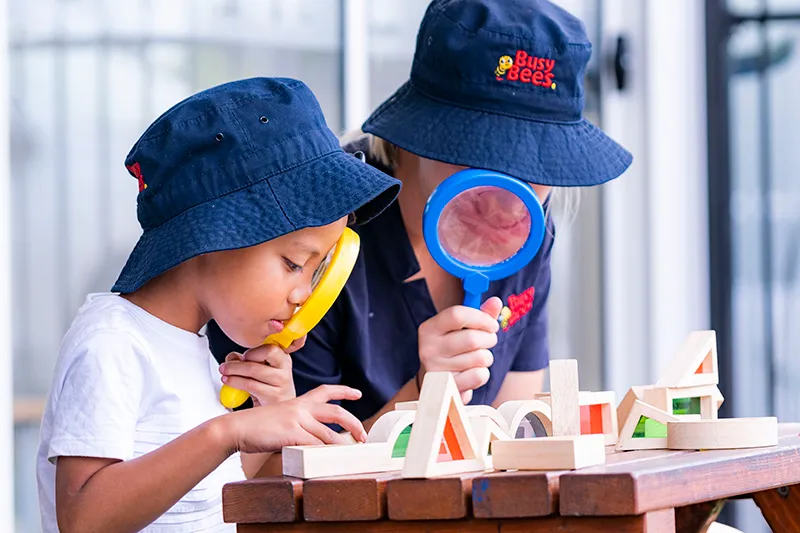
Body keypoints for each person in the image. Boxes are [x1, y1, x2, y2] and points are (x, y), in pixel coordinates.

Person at [208, 0, 633, 431]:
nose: (502, 199)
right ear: (420, 133)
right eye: (480, 153)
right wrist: (422, 394)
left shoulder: (527, 233)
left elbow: (508, 436)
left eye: (536, 161)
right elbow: (282, 472)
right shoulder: (312, 230)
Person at [35, 77, 401, 532]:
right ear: (211, 237)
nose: (303, 294)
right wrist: (229, 433)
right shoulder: (113, 344)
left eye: (315, 271)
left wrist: (272, 418)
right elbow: (84, 519)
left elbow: (222, 497)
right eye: (293, 263)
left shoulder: (193, 347)